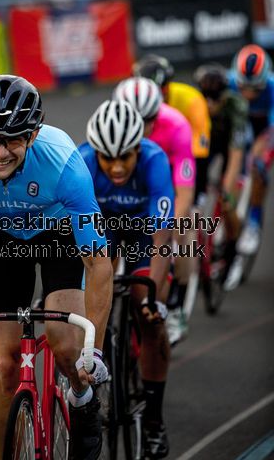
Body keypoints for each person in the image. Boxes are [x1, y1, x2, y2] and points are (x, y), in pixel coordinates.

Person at [0, 74, 113, 460]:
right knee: (6, 364)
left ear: (34, 135)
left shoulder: (64, 166)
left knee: (66, 349)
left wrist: (93, 350)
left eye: (13, 139)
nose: (0, 151)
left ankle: (83, 401)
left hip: (58, 231)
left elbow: (97, 261)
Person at [79, 99, 174, 459]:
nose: (117, 167)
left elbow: (162, 239)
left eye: (125, 158)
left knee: (146, 308)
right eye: (108, 158)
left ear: (138, 148)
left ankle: (153, 421)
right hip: (101, 227)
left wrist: (155, 297)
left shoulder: (154, 160)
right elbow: (69, 235)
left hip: (142, 232)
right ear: (96, 152)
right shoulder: (82, 162)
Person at [113, 77, 195, 346]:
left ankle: (175, 306)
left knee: (182, 232)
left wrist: (171, 229)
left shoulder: (177, 126)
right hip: (126, 190)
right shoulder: (111, 125)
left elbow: (184, 190)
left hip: (166, 184)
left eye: (148, 120)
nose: (140, 127)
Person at [193, 63, 249, 290]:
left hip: (230, 147)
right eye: (205, 98)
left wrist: (227, 188)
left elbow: (236, 154)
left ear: (224, 97)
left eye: (214, 99)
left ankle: (233, 248)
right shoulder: (195, 103)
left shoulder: (237, 106)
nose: (209, 104)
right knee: (196, 188)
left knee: (228, 201)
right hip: (206, 144)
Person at [134, 54, 211, 194]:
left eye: (161, 90)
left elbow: (200, 148)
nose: (157, 97)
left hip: (185, 148)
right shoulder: (134, 102)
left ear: (168, 85)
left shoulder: (192, 99)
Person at [228, 44, 274, 257]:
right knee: (231, 168)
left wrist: (260, 146)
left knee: (257, 167)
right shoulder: (228, 83)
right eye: (243, 87)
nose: (247, 93)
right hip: (241, 127)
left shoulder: (272, 89)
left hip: (265, 129)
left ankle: (254, 221)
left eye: (254, 89)